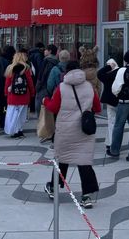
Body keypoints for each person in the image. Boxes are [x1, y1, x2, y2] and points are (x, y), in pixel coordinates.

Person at [42, 61, 101, 208]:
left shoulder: (61, 88)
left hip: (65, 130)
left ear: (66, 72)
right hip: (84, 130)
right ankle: (87, 196)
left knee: (62, 159)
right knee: (84, 162)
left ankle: (54, 188)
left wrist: (45, 100)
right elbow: (98, 108)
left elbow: (53, 108)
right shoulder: (89, 86)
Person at [4, 54, 34, 137]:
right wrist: (32, 92)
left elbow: (7, 83)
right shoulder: (26, 68)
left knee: (12, 114)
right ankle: (19, 130)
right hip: (24, 95)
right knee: (22, 114)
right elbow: (30, 82)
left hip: (13, 95)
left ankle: (13, 130)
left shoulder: (10, 68)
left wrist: (6, 93)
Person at [98, 57, 119, 157]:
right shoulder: (119, 73)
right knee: (115, 123)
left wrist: (107, 67)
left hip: (110, 102)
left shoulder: (108, 75)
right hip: (119, 101)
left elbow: (99, 74)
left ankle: (111, 145)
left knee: (111, 123)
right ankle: (109, 142)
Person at [34, 45, 59, 112]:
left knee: (40, 109)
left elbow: (41, 75)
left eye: (46, 50)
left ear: (50, 51)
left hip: (43, 87)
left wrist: (37, 87)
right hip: (53, 88)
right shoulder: (57, 62)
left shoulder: (46, 61)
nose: (44, 51)